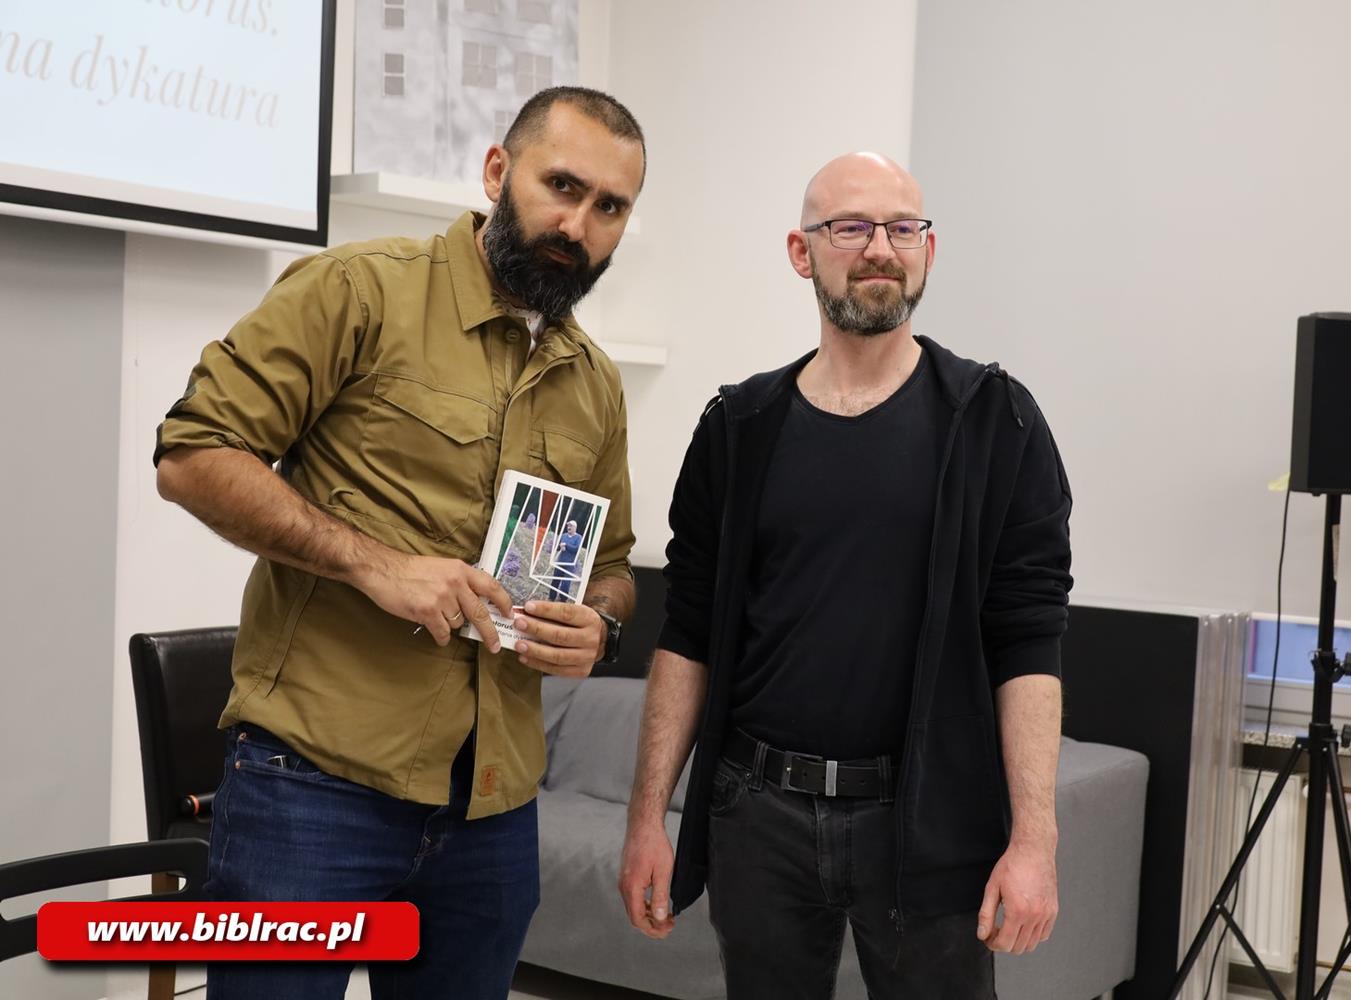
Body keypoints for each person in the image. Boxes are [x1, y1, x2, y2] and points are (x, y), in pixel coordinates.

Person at [154, 86, 643, 1000]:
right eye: (562, 186)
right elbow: (192, 456)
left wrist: (602, 625)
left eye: (609, 207)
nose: (577, 226)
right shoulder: (358, 289)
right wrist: (375, 565)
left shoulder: (596, 384)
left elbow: (612, 565)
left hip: (493, 811)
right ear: (497, 171)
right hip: (313, 790)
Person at [618, 152, 1073, 1000]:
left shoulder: (993, 423)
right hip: (758, 815)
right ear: (802, 252)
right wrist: (649, 817)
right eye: (852, 228)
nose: (880, 249)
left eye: (903, 229)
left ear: (928, 250)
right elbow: (689, 631)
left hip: (929, 818)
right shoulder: (738, 428)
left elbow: (1028, 640)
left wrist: (1034, 840)